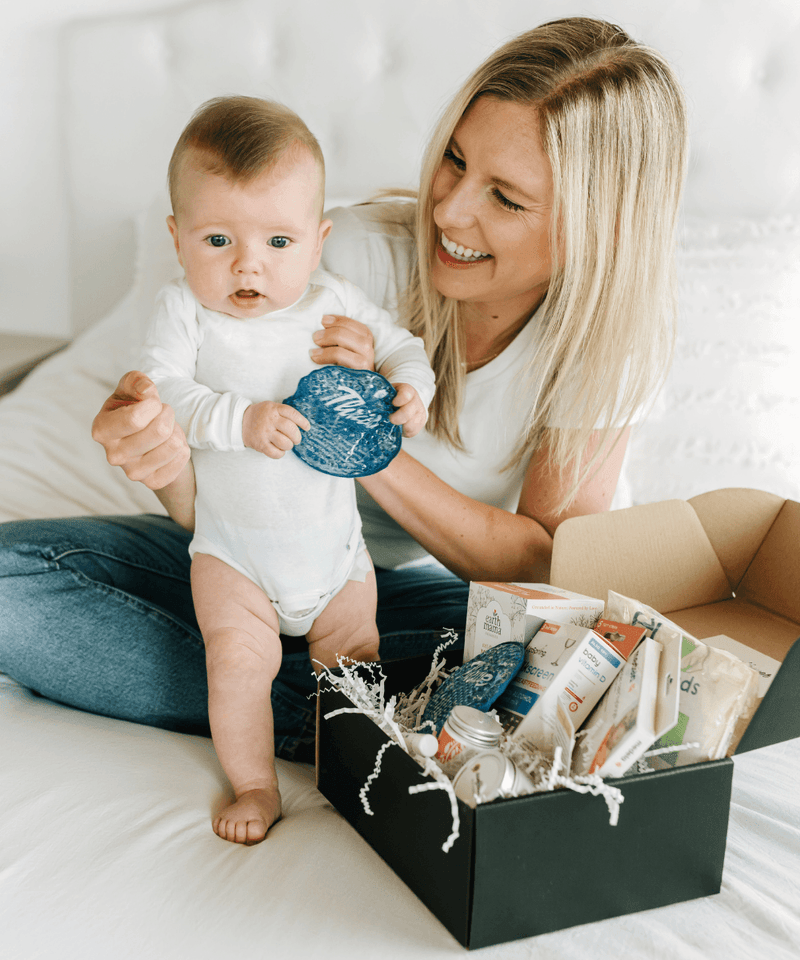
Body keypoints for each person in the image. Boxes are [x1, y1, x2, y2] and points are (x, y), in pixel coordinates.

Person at [0, 17, 687, 795]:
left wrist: (365, 443)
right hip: (242, 559)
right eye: (455, 161)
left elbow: (539, 568)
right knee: (8, 582)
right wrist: (166, 468)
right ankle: (346, 726)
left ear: (595, 228)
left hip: (384, 591)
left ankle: (279, 707)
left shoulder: (606, 344)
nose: (451, 212)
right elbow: (227, 498)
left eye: (506, 197)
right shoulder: (340, 258)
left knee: (542, 651)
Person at [138, 96, 435, 844]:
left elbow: (402, 345)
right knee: (236, 664)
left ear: (317, 240)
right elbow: (166, 392)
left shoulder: (333, 303)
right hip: (235, 559)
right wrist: (240, 419)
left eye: (277, 240)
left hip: (337, 561)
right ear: (177, 240)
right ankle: (256, 782)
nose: (248, 263)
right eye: (217, 239)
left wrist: (409, 390)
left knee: (355, 663)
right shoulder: (185, 313)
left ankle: (349, 774)